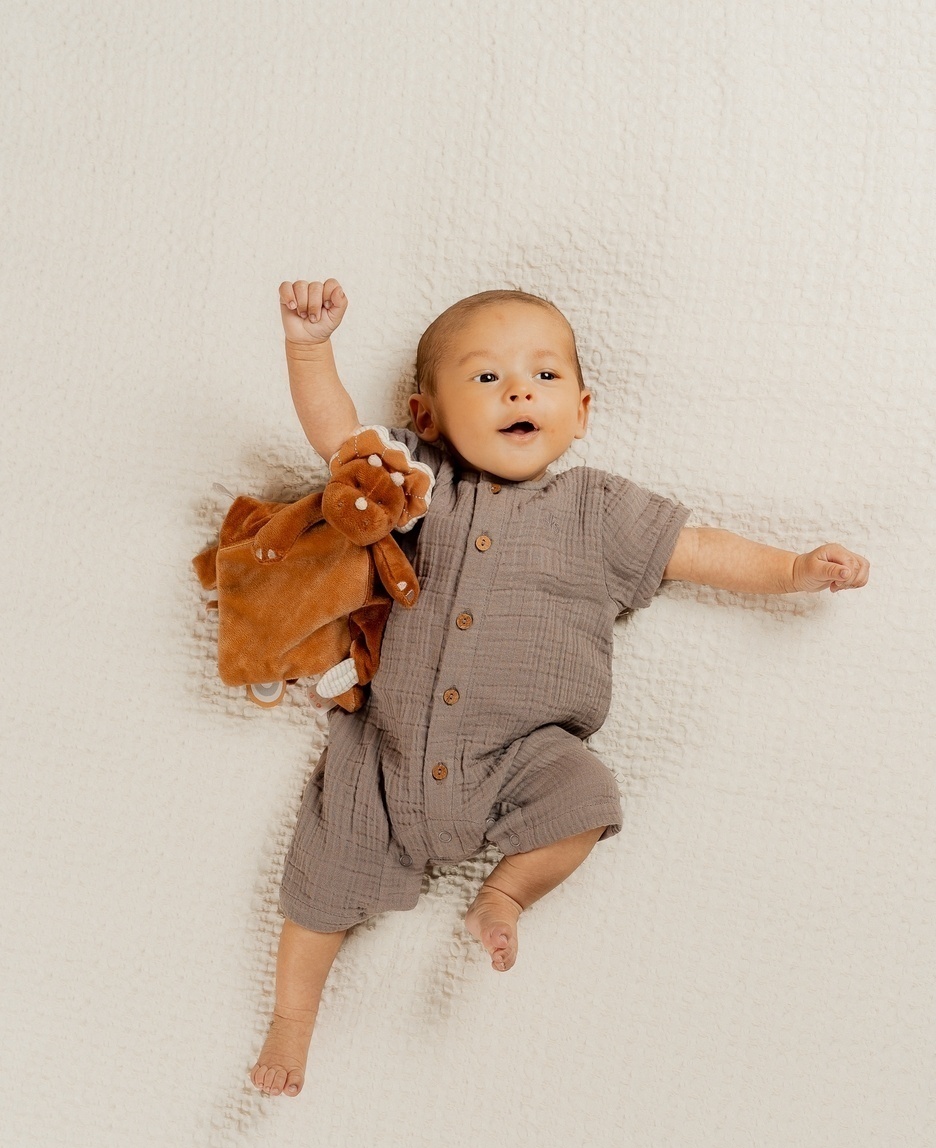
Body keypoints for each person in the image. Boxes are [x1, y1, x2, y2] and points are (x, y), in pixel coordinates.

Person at [250, 277, 870, 1098]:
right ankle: (292, 1026)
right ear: (426, 416)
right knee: (318, 881)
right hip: (386, 755)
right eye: (485, 377)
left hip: (523, 756)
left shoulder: (597, 510)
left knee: (587, 795)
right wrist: (309, 347)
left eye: (544, 376)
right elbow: (340, 445)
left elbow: (699, 548)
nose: (517, 390)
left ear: (580, 411)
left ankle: (506, 895)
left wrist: (790, 569)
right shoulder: (419, 482)